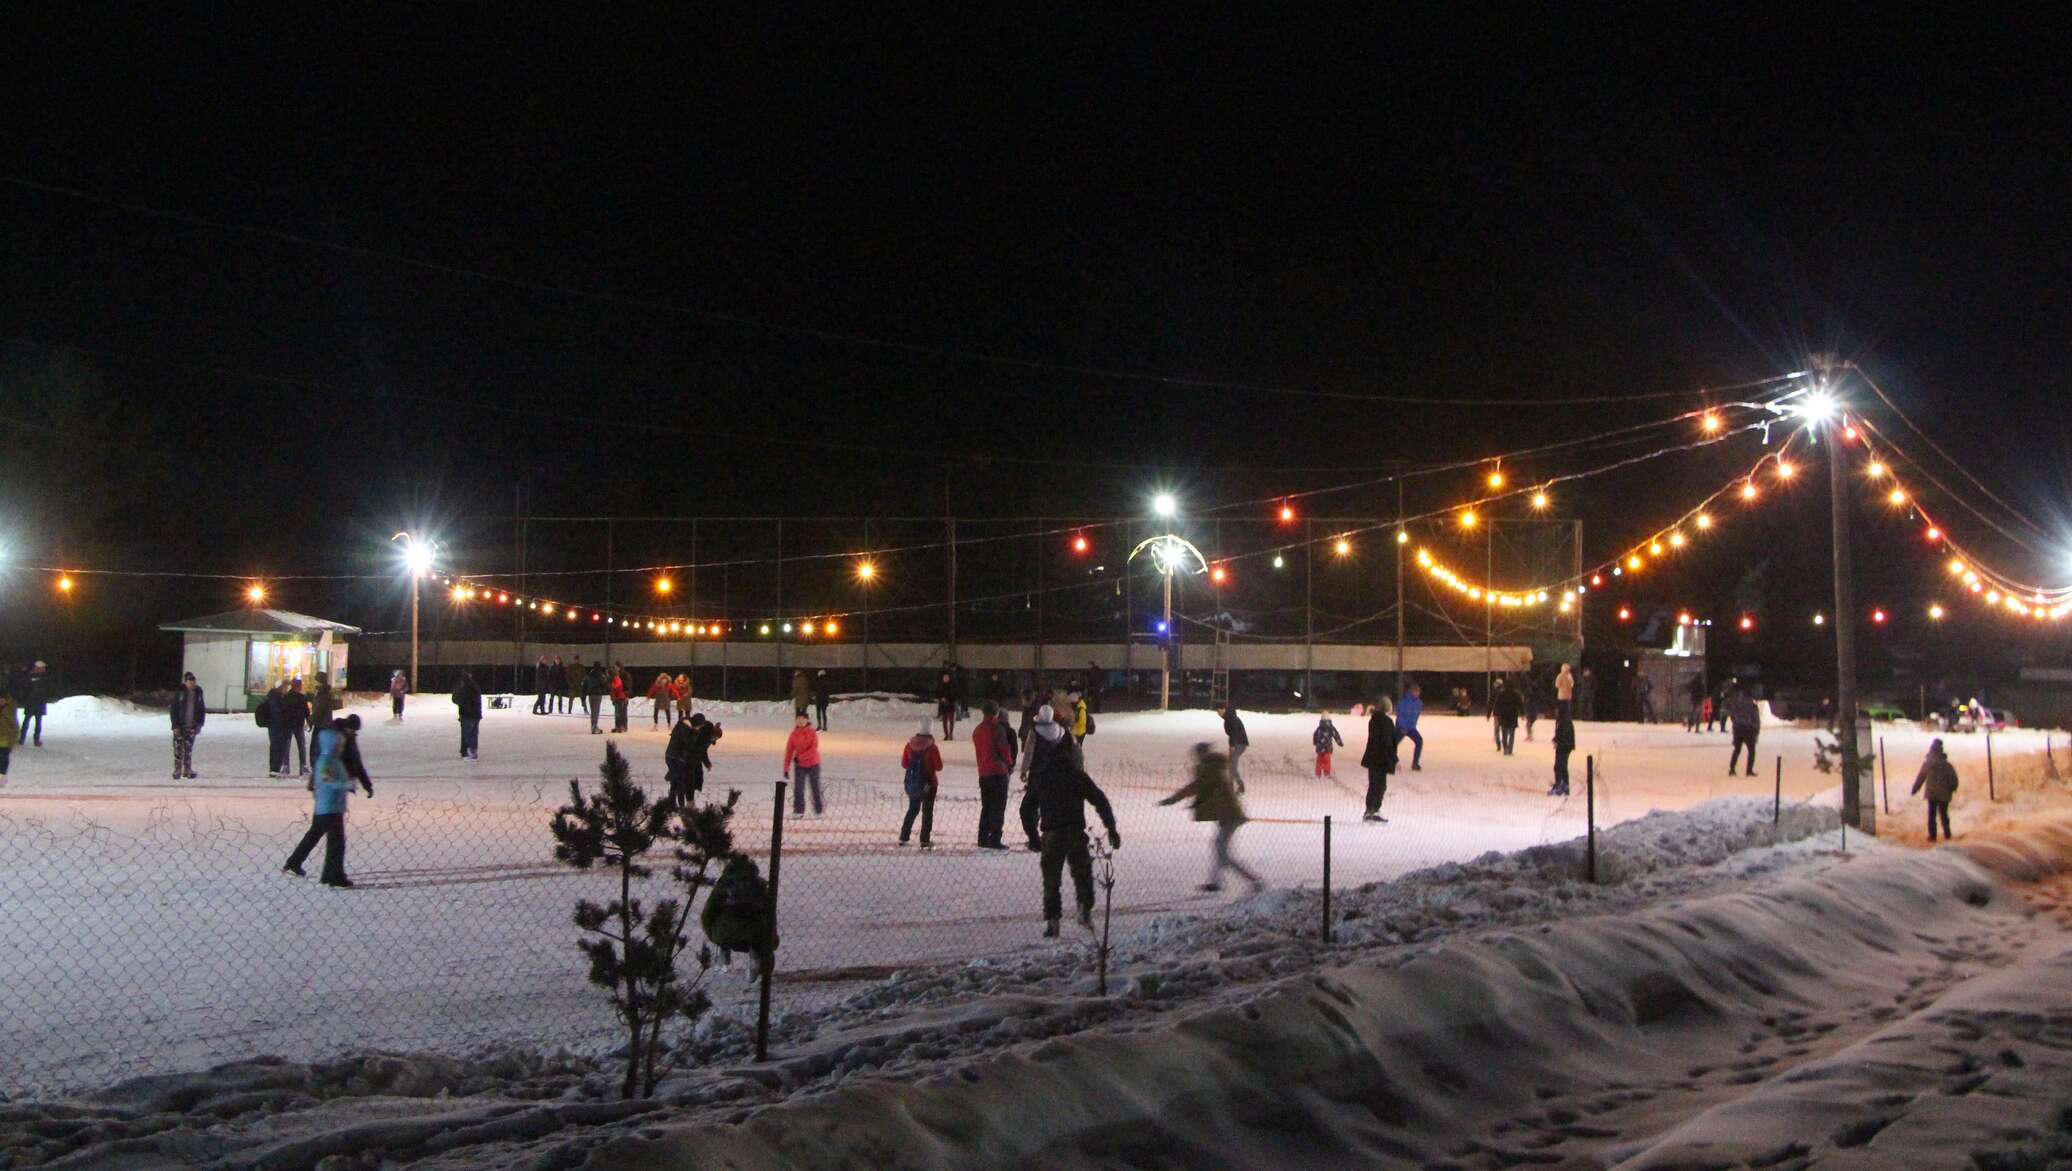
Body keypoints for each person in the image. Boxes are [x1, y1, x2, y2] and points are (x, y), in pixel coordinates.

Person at [1026, 739, 1120, 936]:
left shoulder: (1042, 776)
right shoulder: (1077, 775)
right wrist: (1111, 828)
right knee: (1082, 873)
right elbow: (1099, 800)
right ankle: (1084, 910)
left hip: (1051, 833)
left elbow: (1026, 809)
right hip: (1074, 832)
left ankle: (1053, 922)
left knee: (1051, 880)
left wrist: (1033, 836)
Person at [1163, 743, 1263, 894]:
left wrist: (1173, 799)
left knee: (1222, 852)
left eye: (1196, 754)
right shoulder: (1213, 767)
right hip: (1228, 815)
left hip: (1229, 816)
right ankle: (1216, 882)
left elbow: (1196, 787)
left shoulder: (1208, 769)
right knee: (1219, 848)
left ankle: (1253, 880)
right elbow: (1208, 791)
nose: (1195, 757)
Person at [282, 716, 370, 888]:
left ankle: (301, 864)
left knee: (321, 835)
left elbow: (350, 766)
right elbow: (327, 779)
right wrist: (346, 784)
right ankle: (332, 875)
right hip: (328, 806)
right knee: (335, 842)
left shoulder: (334, 755)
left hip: (331, 805)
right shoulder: (327, 759)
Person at [972, 700, 1017, 849]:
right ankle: (995, 838)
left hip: (983, 773)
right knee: (998, 807)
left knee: (986, 806)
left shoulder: (977, 730)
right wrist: (1009, 764)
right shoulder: (997, 729)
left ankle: (982, 837)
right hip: (998, 772)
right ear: (996, 713)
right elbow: (1004, 750)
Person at [899, 721, 943, 848]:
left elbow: (904, 764)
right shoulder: (932, 748)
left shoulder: (909, 746)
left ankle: (904, 836)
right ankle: (924, 839)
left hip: (914, 783)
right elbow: (939, 766)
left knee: (913, 809)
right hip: (929, 784)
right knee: (927, 812)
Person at [1910, 738, 1960, 842]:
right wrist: (1953, 787)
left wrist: (1915, 788)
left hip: (1932, 793)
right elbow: (1953, 779)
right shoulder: (1946, 765)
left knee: (1931, 815)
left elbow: (1921, 777)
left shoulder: (1928, 764)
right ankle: (1947, 834)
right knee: (1944, 815)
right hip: (1943, 794)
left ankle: (1932, 836)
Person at [664, 711, 718, 805]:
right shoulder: (690, 729)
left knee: (682, 780)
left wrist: (707, 763)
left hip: (684, 758)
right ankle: (680, 804)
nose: (714, 740)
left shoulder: (704, 735)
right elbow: (689, 744)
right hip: (680, 758)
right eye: (714, 738)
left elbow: (702, 751)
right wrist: (695, 732)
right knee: (682, 781)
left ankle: (677, 802)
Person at [1361, 697, 1398, 822]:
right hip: (1381, 758)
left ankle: (1369, 809)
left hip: (1372, 757)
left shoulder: (1373, 720)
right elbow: (1388, 742)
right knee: (1380, 785)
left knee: (1373, 784)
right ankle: (1374, 810)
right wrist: (1393, 758)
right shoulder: (1387, 722)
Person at [782, 711, 823, 816]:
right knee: (798, 789)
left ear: (807, 720)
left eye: (803, 719)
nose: (801, 721)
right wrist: (786, 768)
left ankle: (819, 811)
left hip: (813, 764)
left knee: (815, 788)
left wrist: (800, 758)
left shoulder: (812, 733)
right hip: (800, 766)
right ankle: (798, 810)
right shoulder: (794, 734)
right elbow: (789, 751)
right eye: (798, 719)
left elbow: (813, 749)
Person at [170, 671, 206, 779]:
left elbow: (201, 708)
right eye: (190, 681)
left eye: (193, 681)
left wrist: (200, 723)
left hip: (192, 725)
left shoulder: (198, 692)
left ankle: (187, 770)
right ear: (185, 682)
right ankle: (177, 770)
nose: (192, 683)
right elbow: (173, 709)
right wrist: (175, 725)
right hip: (180, 725)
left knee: (188, 749)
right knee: (178, 749)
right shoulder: (180, 692)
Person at [1727, 687, 1761, 776]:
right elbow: (1756, 720)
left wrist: (1735, 723)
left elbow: (1732, 714)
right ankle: (1749, 770)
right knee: (1751, 751)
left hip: (1738, 728)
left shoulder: (1737, 704)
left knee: (1737, 750)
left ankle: (1732, 769)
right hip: (1748, 729)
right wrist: (1756, 732)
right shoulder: (1753, 705)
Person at [282, 677, 313, 776]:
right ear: (298, 686)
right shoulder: (302, 697)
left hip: (288, 725)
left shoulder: (286, 697)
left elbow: (283, 712)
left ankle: (286, 766)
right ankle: (303, 766)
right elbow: (306, 712)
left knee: (287, 746)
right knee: (301, 746)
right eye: (300, 685)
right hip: (298, 724)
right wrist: (309, 722)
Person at [261, 681, 293, 777]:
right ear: (280, 688)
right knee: (277, 748)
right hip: (277, 727)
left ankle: (275, 768)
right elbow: (278, 713)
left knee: (277, 747)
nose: (286, 689)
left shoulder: (276, 697)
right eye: (285, 687)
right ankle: (274, 769)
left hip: (277, 727)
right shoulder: (276, 698)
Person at [452, 669, 483, 760]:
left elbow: (455, 699)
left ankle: (467, 752)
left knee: (467, 733)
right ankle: (472, 751)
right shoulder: (475, 686)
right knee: (473, 733)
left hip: (466, 713)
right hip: (475, 713)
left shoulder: (462, 687)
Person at [16, 661, 49, 746]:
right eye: (42, 668)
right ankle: (22, 739)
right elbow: (24, 687)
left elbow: (47, 689)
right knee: (27, 721)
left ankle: (36, 740)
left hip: (39, 702)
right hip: (31, 702)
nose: (44, 669)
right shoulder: (29, 676)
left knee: (38, 722)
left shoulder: (45, 677)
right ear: (37, 668)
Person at [1221, 702, 1249, 793]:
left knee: (1232, 765)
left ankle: (1237, 786)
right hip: (1237, 743)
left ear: (1224, 709)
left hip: (1239, 744)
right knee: (1231, 765)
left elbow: (1234, 734)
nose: (1218, 713)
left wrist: (1232, 746)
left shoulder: (1231, 719)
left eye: (1219, 711)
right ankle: (1233, 785)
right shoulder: (1229, 718)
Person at [1397, 682, 1425, 770]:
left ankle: (1415, 764)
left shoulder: (1419, 703)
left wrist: (1411, 727)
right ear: (1411, 692)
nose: (1417, 693)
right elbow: (1400, 715)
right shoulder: (1404, 702)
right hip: (1401, 727)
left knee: (1419, 741)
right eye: (1415, 691)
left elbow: (1415, 717)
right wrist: (1403, 727)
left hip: (1411, 728)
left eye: (1418, 692)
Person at [1549, 705, 1575, 796]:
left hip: (1563, 747)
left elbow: (1563, 734)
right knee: (1563, 767)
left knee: (1558, 766)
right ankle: (1565, 785)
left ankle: (1559, 785)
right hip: (1566, 746)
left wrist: (1557, 741)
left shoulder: (1563, 721)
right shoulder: (1565, 720)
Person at [1492, 681, 1522, 755]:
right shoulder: (1516, 694)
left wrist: (1496, 713)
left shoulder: (1501, 694)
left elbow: (1497, 704)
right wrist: (1523, 713)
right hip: (1513, 715)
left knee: (1504, 733)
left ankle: (1505, 748)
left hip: (1504, 715)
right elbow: (1520, 704)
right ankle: (1510, 750)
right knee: (1512, 734)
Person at [309, 671, 339, 736]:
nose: (315, 682)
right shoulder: (321, 692)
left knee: (317, 745)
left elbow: (319, 710)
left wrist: (310, 720)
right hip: (322, 724)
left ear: (320, 682)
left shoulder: (323, 693)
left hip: (322, 725)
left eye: (316, 680)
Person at [936, 669, 960, 741]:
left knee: (951, 721)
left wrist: (949, 700)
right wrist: (942, 699)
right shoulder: (941, 685)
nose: (945, 678)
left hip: (951, 705)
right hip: (943, 706)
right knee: (944, 721)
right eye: (944, 677)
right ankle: (946, 735)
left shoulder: (953, 685)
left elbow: (955, 695)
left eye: (947, 677)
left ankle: (951, 734)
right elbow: (938, 694)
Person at [582, 660, 605, 734]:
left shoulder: (589, 675)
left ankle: (593, 726)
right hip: (597, 694)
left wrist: (583, 695)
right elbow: (603, 684)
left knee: (592, 712)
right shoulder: (600, 675)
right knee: (596, 711)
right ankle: (595, 727)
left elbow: (584, 685)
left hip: (591, 695)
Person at [0, 682, 15, 784]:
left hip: (5, 739)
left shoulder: (9, 709)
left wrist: (13, 738)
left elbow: (13, 724)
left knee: (3, 758)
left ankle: (2, 776)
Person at [608, 664, 629, 733]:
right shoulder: (614, 678)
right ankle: (618, 726)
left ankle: (622, 726)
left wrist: (627, 695)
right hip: (617, 698)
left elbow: (618, 686)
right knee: (618, 713)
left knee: (620, 713)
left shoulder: (617, 678)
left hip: (620, 697)